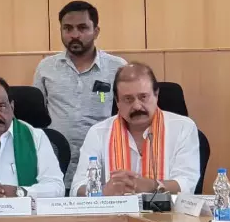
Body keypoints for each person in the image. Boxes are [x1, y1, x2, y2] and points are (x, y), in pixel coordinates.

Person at [71, 63, 200, 197]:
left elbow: (186, 184)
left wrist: (152, 186)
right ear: (117, 101)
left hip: (168, 210)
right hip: (114, 210)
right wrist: (103, 192)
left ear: (156, 95)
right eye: (128, 99)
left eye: (143, 97)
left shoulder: (182, 127)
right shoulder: (98, 133)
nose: (137, 106)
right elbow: (77, 188)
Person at [33, 1, 125, 184]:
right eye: (67, 28)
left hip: (104, 165)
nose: (74, 35)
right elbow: (37, 117)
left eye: (82, 28)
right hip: (56, 166)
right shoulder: (46, 68)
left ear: (96, 31)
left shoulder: (117, 67)